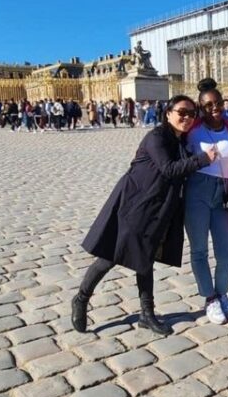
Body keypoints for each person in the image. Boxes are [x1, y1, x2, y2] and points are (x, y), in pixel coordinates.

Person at [72, 95, 216, 336]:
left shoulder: (181, 140)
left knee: (145, 258)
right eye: (182, 112)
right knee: (111, 256)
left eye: (192, 114)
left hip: (159, 207)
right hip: (135, 203)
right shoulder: (157, 137)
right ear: (168, 113)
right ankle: (81, 298)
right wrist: (203, 159)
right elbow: (169, 169)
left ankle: (146, 314)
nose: (187, 118)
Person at [185, 78, 228, 324]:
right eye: (208, 105)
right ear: (200, 108)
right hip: (197, 191)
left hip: (224, 193)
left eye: (218, 103)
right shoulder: (192, 131)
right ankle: (210, 297)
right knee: (199, 250)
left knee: (225, 253)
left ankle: (222, 293)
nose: (214, 108)